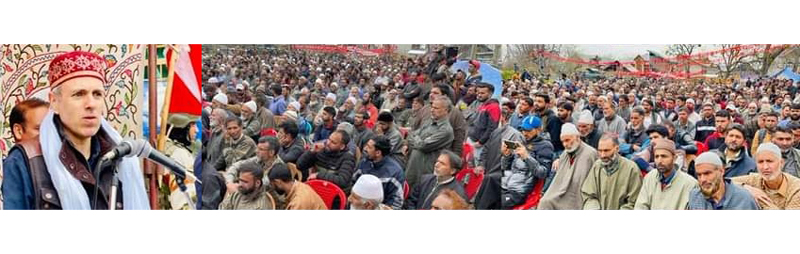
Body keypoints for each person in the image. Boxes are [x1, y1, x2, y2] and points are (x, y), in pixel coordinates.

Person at [2, 51, 149, 209]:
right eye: (79, 94)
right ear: (54, 102)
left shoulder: (121, 157)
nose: (91, 104)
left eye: (97, 94)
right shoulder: (25, 160)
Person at [538, 123, 598, 210]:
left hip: (579, 196)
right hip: (562, 193)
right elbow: (557, 181)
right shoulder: (565, 154)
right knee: (545, 202)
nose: (565, 144)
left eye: (567, 140)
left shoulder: (590, 154)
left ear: (577, 137)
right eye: (563, 141)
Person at [500, 115, 553, 209]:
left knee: (498, 203)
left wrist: (526, 157)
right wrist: (506, 155)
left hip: (520, 190)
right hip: (506, 184)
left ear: (538, 130)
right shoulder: (520, 141)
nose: (524, 133)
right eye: (523, 129)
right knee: (485, 195)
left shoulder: (545, 146)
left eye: (528, 130)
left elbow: (543, 173)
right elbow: (505, 167)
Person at [580, 135, 643, 210]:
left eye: (606, 151)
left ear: (617, 149)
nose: (603, 155)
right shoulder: (597, 166)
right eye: (600, 151)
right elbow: (588, 194)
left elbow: (633, 202)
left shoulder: (631, 168)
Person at [405, 97, 455, 190]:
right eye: (432, 107)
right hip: (413, 165)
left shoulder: (445, 130)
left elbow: (423, 146)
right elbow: (412, 134)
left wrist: (416, 139)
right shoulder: (429, 122)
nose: (432, 110)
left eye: (436, 108)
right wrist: (417, 139)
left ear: (446, 110)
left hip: (424, 171)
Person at [732, 143, 800, 209]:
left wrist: (763, 202)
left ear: (781, 163)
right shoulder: (754, 179)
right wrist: (748, 188)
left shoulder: (796, 188)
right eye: (760, 162)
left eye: (769, 161)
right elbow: (725, 181)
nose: (765, 167)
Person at [634, 139, 699, 210]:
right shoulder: (650, 177)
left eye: (664, 156)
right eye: (656, 157)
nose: (659, 161)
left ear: (674, 158)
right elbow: (640, 206)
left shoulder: (690, 184)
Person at [688, 152, 759, 210]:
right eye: (699, 175)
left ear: (721, 171)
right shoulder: (695, 196)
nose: (702, 179)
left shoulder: (743, 199)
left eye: (707, 173)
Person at [353, 136, 406, 210]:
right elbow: (353, 182)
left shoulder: (395, 172)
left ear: (378, 153)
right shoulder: (364, 162)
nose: (365, 149)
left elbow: (396, 203)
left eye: (369, 147)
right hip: (358, 204)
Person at [163, 114, 200, 210]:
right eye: (193, 125)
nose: (197, 130)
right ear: (183, 128)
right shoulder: (179, 154)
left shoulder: (168, 147)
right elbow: (184, 195)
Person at [466, 82, 500, 161]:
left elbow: (492, 128)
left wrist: (481, 142)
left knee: (476, 167)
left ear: (490, 94)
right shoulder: (483, 104)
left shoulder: (493, 107)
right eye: (478, 92)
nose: (479, 95)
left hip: (479, 144)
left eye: (482, 93)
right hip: (472, 139)